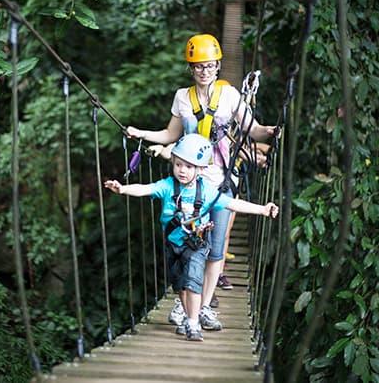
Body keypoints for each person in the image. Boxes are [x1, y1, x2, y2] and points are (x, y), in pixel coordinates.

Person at [126, 33, 277, 329]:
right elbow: (170, 135)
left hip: (221, 182)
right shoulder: (182, 97)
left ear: (218, 66)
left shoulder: (230, 95)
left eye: (209, 66)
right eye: (198, 67)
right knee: (188, 244)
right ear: (190, 68)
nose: (204, 72)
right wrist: (141, 133)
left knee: (217, 247)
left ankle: (204, 306)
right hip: (190, 183)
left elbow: (253, 130)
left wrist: (271, 131)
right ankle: (185, 306)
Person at [104, 134, 278, 341]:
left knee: (193, 280)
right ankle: (189, 317)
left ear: (200, 169)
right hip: (174, 244)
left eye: (188, 167)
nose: (182, 170)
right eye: (178, 165)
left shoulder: (206, 191)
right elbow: (145, 189)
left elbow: (233, 204)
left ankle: (193, 324)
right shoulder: (168, 186)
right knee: (181, 286)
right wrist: (122, 189)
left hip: (197, 244)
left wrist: (263, 210)